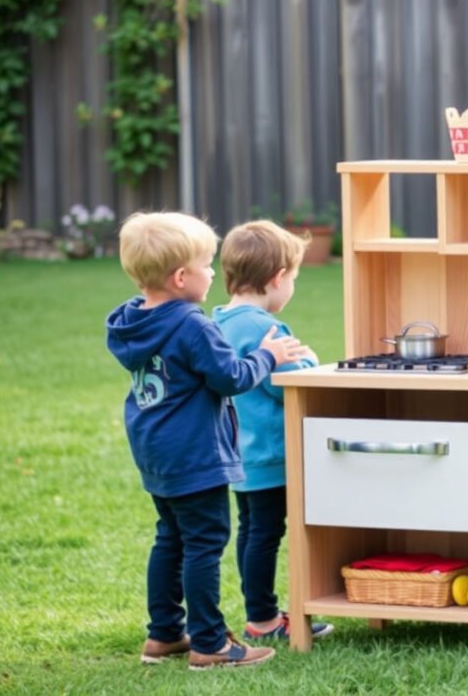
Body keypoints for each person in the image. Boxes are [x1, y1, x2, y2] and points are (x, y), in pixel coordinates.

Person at [107, 211, 308, 669]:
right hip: (195, 454)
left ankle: (163, 635)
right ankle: (210, 644)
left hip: (155, 451)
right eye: (206, 265)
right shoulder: (192, 325)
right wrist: (267, 355)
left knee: (171, 538)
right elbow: (231, 378)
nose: (214, 273)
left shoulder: (132, 321)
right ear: (181, 277)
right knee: (204, 542)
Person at [212, 220, 334, 642]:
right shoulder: (262, 328)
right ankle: (263, 618)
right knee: (266, 534)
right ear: (277, 279)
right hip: (269, 453)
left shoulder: (221, 321)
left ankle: (260, 612)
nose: (292, 287)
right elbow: (284, 384)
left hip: (238, 452)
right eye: (294, 279)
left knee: (253, 531)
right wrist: (312, 361)